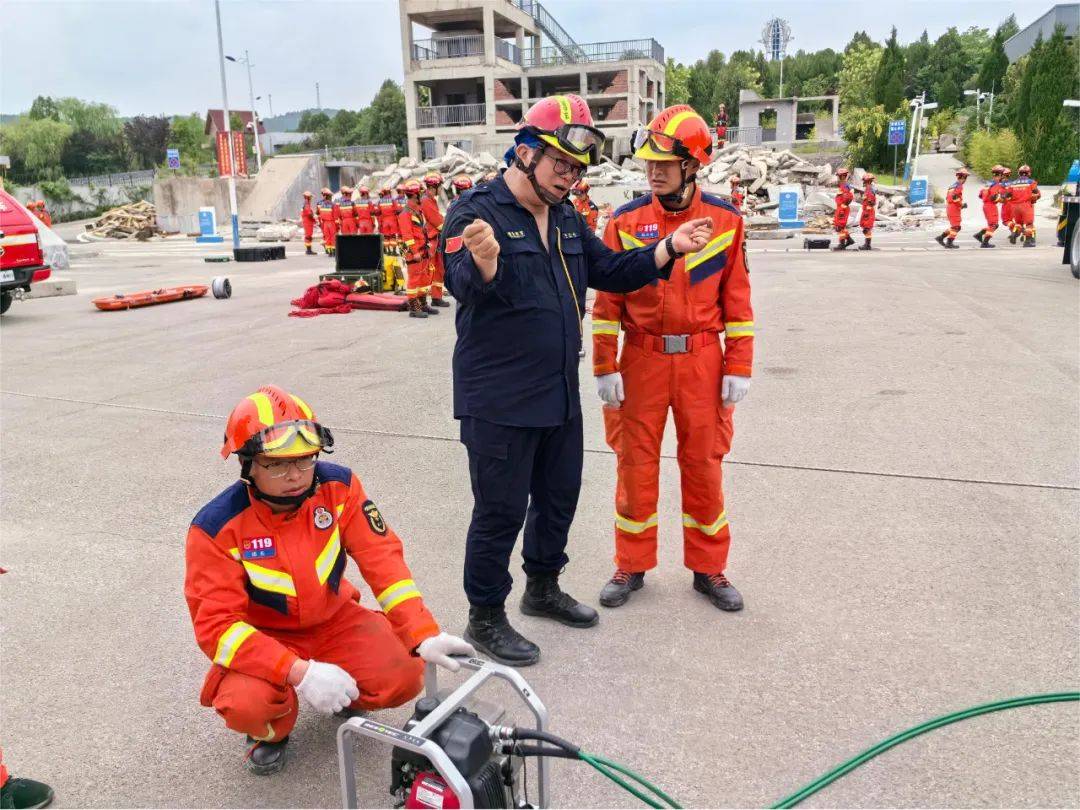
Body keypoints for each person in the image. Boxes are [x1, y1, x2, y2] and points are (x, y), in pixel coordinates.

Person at [441, 94, 714, 666]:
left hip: (559, 392)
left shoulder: (567, 216)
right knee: (500, 510)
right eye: (559, 163)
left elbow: (610, 271)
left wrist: (667, 248)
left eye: (576, 167)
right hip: (499, 400)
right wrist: (485, 263)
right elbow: (459, 281)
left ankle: (542, 588)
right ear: (523, 153)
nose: (569, 176)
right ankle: (486, 616)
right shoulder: (475, 212)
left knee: (557, 499)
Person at [185, 386, 474, 774]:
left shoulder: (338, 488)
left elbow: (382, 560)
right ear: (247, 464)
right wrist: (299, 673)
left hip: (335, 621)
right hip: (265, 636)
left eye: (305, 460)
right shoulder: (216, 528)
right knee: (247, 704)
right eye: (277, 464)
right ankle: (269, 733)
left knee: (406, 673)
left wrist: (422, 633)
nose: (295, 475)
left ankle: (345, 689)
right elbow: (217, 628)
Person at [591, 105, 753, 612]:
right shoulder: (625, 222)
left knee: (703, 464)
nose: (653, 170)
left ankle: (709, 568)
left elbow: (738, 301)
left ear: (693, 164)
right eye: (648, 162)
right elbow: (607, 304)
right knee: (633, 463)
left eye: (665, 161)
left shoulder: (727, 221)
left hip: (702, 363)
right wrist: (604, 365)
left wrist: (739, 366)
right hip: (641, 360)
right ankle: (631, 562)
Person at [398, 180, 437, 318]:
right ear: (415, 195)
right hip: (414, 253)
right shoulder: (405, 214)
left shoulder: (417, 211)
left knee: (424, 278)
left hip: (423, 250)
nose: (422, 195)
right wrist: (414, 252)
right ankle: (414, 308)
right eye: (420, 193)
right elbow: (407, 236)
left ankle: (422, 303)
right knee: (414, 279)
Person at [421, 173, 450, 307]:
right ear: (434, 186)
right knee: (432, 269)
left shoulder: (430, 199)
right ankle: (427, 299)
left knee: (438, 268)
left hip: (435, 238)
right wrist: (448, 227)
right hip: (431, 239)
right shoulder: (426, 200)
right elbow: (436, 220)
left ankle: (436, 297)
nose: (441, 189)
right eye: (440, 186)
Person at [1005, 164, 1041, 247]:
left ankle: (1014, 233)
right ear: (1029, 173)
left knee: (1019, 223)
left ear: (1019, 173)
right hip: (1026, 206)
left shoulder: (1013, 183)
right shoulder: (1031, 182)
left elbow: (1007, 195)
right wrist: (1034, 199)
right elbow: (1037, 193)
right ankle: (1028, 242)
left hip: (1014, 207)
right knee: (1029, 224)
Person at [973, 165, 1006, 248]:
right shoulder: (996, 184)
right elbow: (994, 197)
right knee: (994, 225)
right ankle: (985, 243)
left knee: (992, 225)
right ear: (1001, 174)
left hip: (985, 206)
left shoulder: (988, 183)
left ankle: (979, 235)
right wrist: (1002, 199)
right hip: (991, 206)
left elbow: (980, 195)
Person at [936, 168, 969, 249]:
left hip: (951, 207)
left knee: (955, 226)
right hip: (954, 208)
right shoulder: (959, 186)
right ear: (963, 177)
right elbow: (955, 198)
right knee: (956, 227)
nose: (965, 180)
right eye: (965, 177)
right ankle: (949, 243)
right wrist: (962, 205)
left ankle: (940, 238)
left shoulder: (953, 186)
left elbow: (949, 197)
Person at [832, 168, 854, 250]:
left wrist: (843, 206)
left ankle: (842, 244)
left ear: (841, 176)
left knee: (840, 227)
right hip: (841, 208)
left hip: (842, 209)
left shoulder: (844, 186)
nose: (837, 178)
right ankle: (849, 240)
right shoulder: (843, 185)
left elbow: (848, 197)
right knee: (840, 226)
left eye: (838, 176)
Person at [857, 172, 877, 251]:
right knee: (865, 228)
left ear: (867, 181)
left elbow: (872, 202)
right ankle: (867, 244)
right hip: (867, 211)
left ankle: (867, 245)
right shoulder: (868, 189)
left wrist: (866, 212)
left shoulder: (869, 190)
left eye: (864, 181)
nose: (863, 183)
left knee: (867, 228)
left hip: (868, 212)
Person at [316, 188, 338, 256]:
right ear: (330, 196)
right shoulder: (333, 205)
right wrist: (337, 226)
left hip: (325, 223)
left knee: (327, 237)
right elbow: (335, 216)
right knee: (333, 237)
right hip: (331, 223)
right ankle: (334, 252)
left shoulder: (322, 205)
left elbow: (319, 215)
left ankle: (329, 252)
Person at [1000, 167, 1016, 241]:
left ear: (1003, 175)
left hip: (1006, 204)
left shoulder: (1001, 184)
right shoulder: (1013, 183)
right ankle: (1013, 232)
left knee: (1005, 220)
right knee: (1010, 220)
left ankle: (1017, 229)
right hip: (1014, 204)